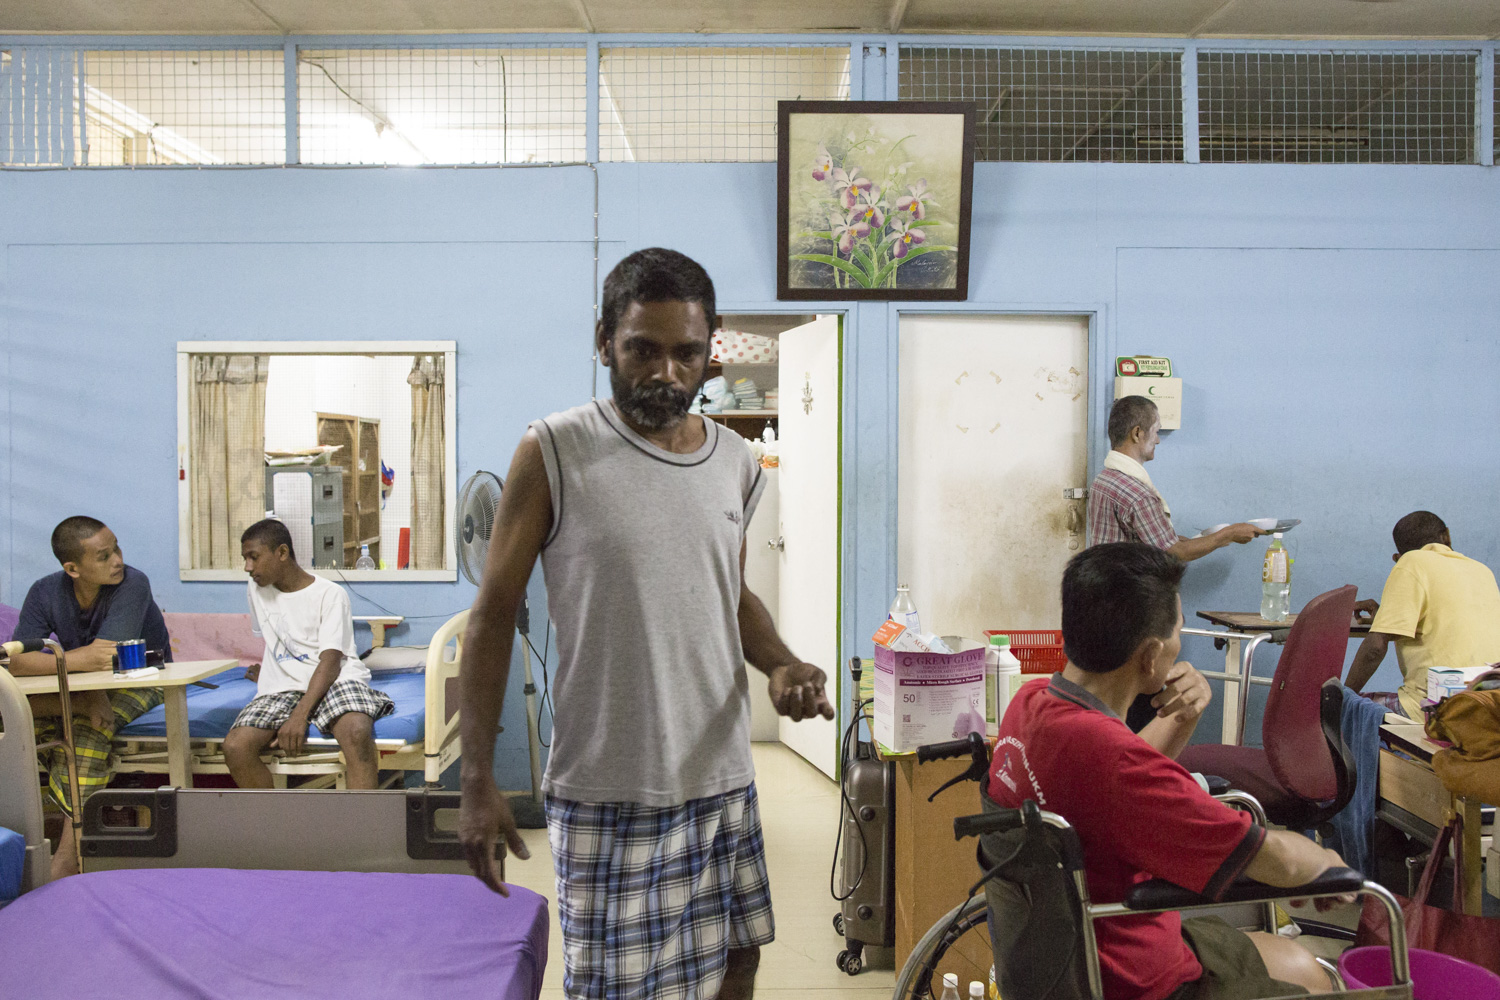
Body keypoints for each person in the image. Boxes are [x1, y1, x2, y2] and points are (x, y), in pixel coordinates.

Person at [458, 247, 835, 1000]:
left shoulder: (734, 462)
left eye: (686, 352)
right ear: (604, 341)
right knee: (619, 990)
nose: (666, 373)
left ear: (711, 347)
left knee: (738, 961)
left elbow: (730, 594)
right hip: (610, 787)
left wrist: (783, 664)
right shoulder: (556, 449)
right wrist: (474, 775)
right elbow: (494, 612)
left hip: (721, 775)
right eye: (643, 350)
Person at [990, 542, 1347, 1000]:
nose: (1182, 641)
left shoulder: (1031, 703)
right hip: (1140, 978)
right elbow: (1277, 858)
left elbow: (1113, 780)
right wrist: (1329, 867)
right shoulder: (1116, 764)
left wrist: (1181, 716)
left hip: (1067, 960)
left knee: (1293, 959)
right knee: (1319, 979)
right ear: (1151, 655)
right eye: (1179, 630)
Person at [7, 516, 173, 878]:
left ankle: (68, 855)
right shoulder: (45, 591)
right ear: (73, 568)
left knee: (85, 731)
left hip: (141, 679)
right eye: (103, 556)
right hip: (77, 685)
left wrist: (67, 668)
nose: (117, 560)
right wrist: (83, 684)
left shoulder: (133, 583)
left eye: (116, 548)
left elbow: (108, 656)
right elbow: (15, 661)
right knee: (12, 719)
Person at [223, 519, 393, 789]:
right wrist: (268, 674)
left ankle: (363, 828)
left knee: (356, 731)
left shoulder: (330, 595)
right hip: (283, 689)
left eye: (254, 557)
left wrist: (299, 716)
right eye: (245, 559)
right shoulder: (256, 590)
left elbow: (330, 661)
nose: (248, 568)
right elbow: (280, 642)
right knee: (235, 747)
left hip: (335, 679)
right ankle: (273, 828)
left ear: (281, 553)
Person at [1346, 511, 1500, 719]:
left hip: (1438, 709)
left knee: (1340, 712)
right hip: (1490, 704)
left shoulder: (1410, 562)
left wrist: (1343, 695)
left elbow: (1375, 648)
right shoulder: (1482, 570)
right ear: (1447, 536)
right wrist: (1386, 617)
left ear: (1397, 558)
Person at [1088, 395, 1262, 561]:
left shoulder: (1104, 479)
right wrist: (1228, 534)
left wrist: (1179, 539)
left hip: (1106, 585)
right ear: (1137, 434)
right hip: (1133, 589)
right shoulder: (1139, 495)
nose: (1157, 440)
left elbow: (1134, 539)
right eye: (1156, 431)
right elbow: (1175, 554)